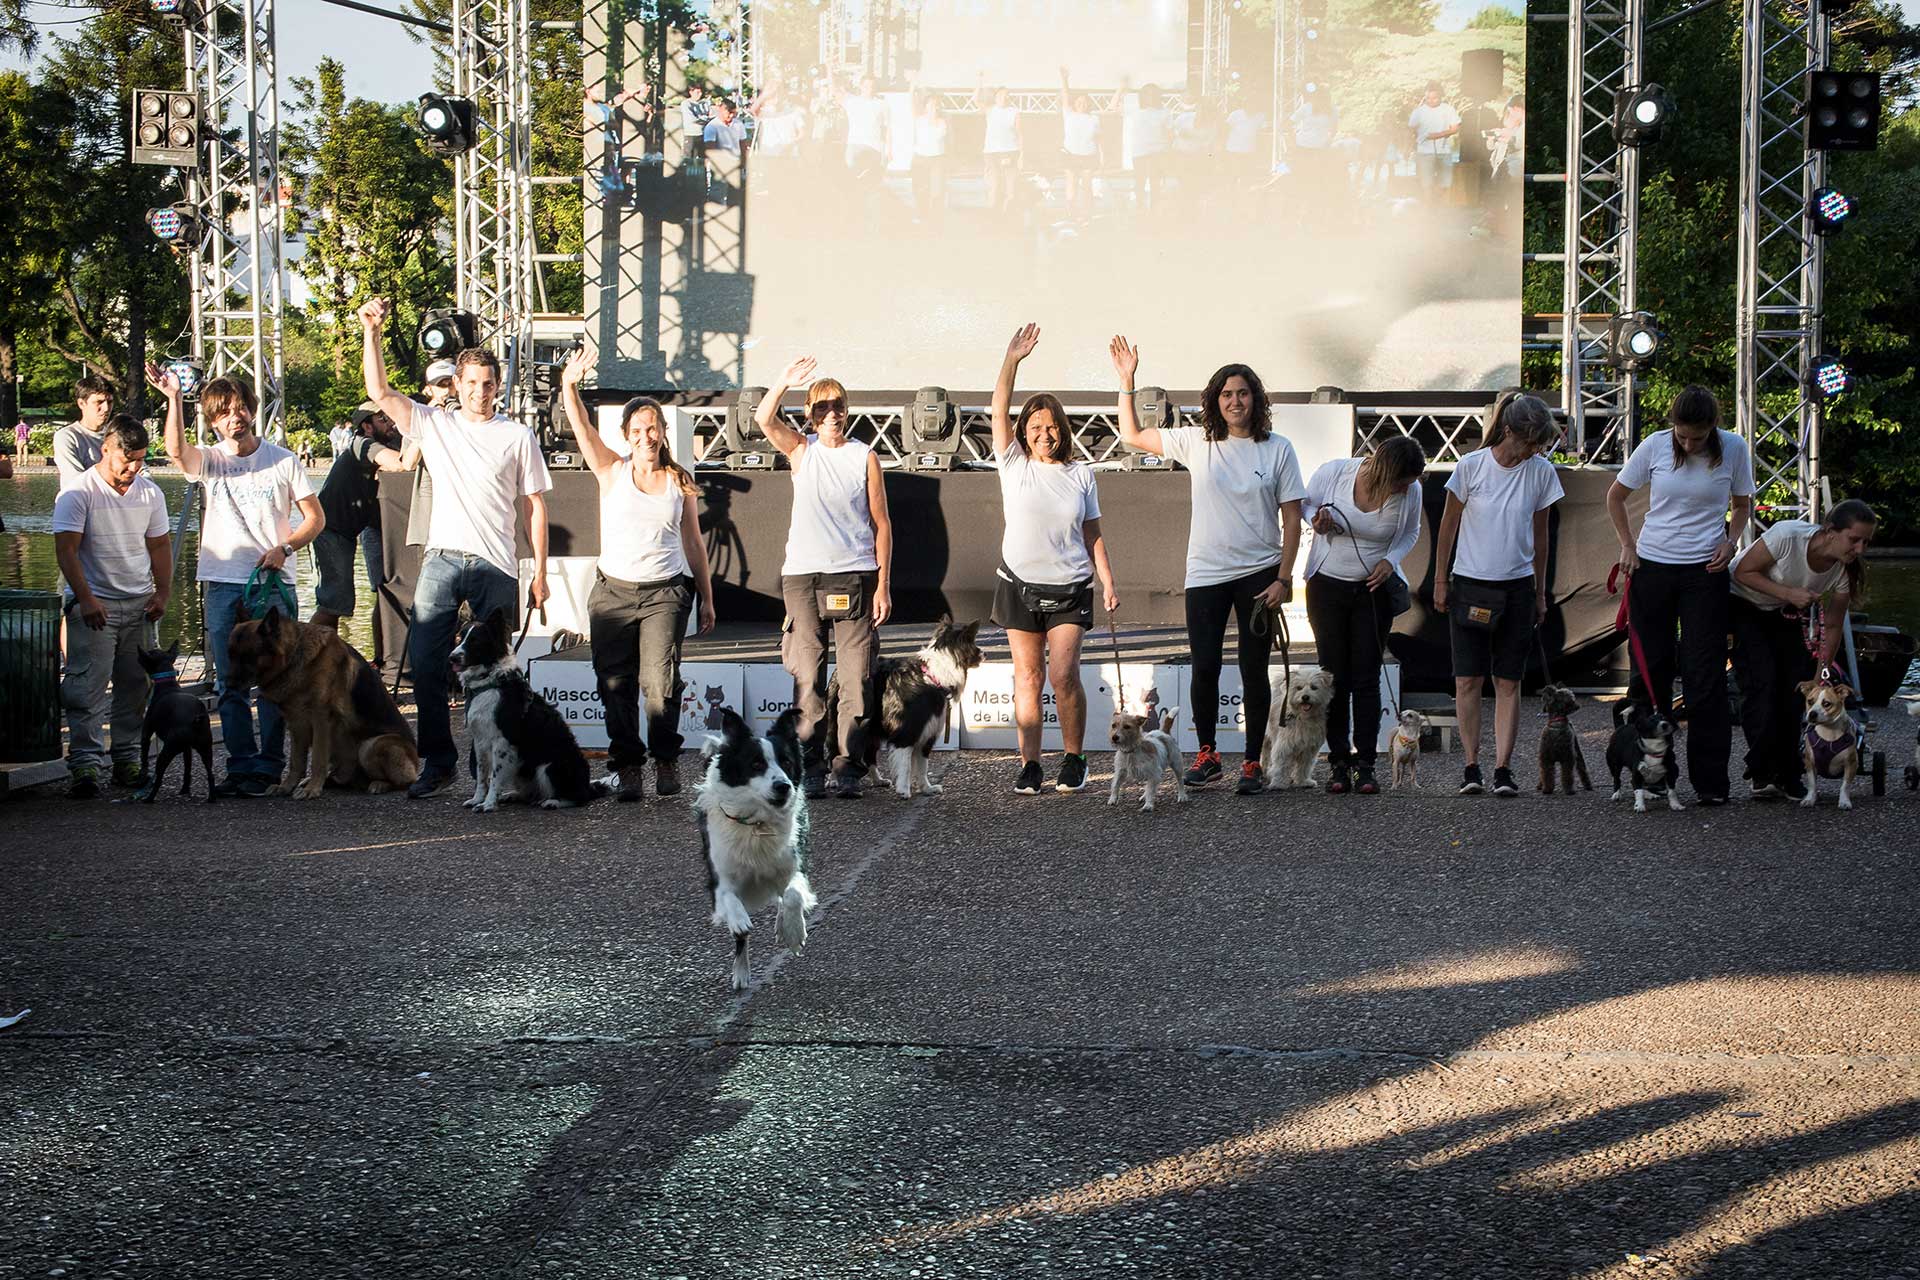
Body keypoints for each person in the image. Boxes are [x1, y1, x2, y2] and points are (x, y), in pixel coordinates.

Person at [358, 296, 553, 799]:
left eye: (489, 385)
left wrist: (541, 573)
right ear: (457, 387)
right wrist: (373, 332)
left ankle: (487, 771)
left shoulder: (516, 435)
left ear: (497, 386)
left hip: (495, 563)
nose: (481, 393)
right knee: (425, 663)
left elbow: (535, 505)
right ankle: (439, 763)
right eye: (472, 385)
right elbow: (378, 390)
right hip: (442, 557)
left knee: (496, 671)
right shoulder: (435, 423)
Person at [1110, 336, 1304, 795]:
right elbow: (1132, 435)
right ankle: (1209, 754)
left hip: (1260, 575)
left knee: (1254, 670)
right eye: (1226, 394)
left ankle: (1252, 763)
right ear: (1215, 401)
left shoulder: (1278, 449)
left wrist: (1283, 578)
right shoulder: (1198, 440)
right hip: (1206, 574)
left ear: (1255, 399)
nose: (1235, 401)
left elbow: (1292, 517)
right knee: (1205, 667)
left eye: (1242, 392)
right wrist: (1126, 382)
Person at [150, 363, 324, 798]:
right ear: (213, 420)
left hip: (273, 583)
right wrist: (173, 398)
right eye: (225, 412)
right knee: (229, 680)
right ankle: (240, 767)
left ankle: (271, 765)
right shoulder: (210, 460)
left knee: (276, 677)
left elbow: (315, 518)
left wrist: (285, 548)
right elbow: (175, 450)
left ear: (253, 410)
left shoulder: (283, 461)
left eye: (241, 408)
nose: (235, 417)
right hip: (223, 579)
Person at [559, 346, 717, 803]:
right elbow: (582, 428)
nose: (646, 436)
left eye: (653, 428)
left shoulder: (679, 481)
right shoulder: (611, 469)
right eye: (637, 430)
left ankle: (665, 757)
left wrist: (706, 596)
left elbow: (694, 543)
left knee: (661, 683)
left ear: (664, 433)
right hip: (613, 595)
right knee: (615, 684)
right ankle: (628, 766)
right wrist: (570, 384)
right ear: (627, 437)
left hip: (665, 593)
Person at [1607, 386, 1756, 805]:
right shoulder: (1654, 446)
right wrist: (1627, 545)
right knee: (1649, 669)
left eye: (1696, 437)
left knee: (1703, 674)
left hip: (1704, 569)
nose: (1688, 443)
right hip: (1653, 564)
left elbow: (1743, 504)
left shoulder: (1733, 448)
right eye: (1682, 435)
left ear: (1713, 427)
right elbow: (1615, 496)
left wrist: (1731, 540)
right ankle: (1649, 775)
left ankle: (1710, 783)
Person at [754, 355, 894, 800]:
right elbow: (762, 417)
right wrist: (784, 380)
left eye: (837, 406)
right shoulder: (801, 450)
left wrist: (883, 584)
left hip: (853, 577)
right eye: (821, 407)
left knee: (855, 678)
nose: (830, 413)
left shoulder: (864, 457)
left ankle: (848, 766)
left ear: (847, 411)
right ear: (810, 415)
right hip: (802, 578)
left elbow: (882, 523)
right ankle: (810, 766)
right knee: (808, 677)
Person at [991, 324, 1118, 795]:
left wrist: (1107, 580)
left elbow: (1093, 533)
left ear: (1063, 430)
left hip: (1069, 588)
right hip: (1018, 583)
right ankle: (1029, 764)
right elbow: (997, 407)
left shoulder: (1081, 475)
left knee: (1064, 675)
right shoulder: (1012, 464)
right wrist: (1012, 359)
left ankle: (1074, 758)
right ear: (1024, 431)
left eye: (1052, 427)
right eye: (1036, 427)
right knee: (1028, 674)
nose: (1045, 434)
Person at [1432, 391, 1563, 797]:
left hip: (1518, 587)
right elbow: (1447, 528)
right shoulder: (1471, 467)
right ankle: (1472, 766)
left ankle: (1503, 768)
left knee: (1509, 681)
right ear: (1508, 431)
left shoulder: (1541, 472)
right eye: (1530, 443)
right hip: (1470, 582)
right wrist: (1440, 580)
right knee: (1467, 680)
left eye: (1539, 445)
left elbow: (1542, 537)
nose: (1533, 451)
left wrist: (1541, 592)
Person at [51, 414, 172, 799]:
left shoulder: (150, 493)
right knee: (86, 686)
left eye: (140, 459)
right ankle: (85, 764)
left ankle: (126, 759)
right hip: (96, 602)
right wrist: (85, 598)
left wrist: (163, 593)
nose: (134, 468)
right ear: (106, 449)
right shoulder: (77, 492)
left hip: (138, 601)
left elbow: (159, 546)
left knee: (135, 686)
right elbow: (66, 550)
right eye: (127, 460)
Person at [1302, 436, 1427, 796]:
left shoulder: (1411, 491)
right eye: (1402, 481)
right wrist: (1317, 519)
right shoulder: (1334, 473)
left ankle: (1367, 763)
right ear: (1386, 471)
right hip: (1327, 586)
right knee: (1333, 676)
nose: (1408, 487)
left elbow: (1410, 532)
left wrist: (1391, 561)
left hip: (1373, 591)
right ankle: (1339, 761)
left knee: (1367, 676)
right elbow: (1305, 505)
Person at [1728, 500, 1876, 801]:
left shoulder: (1842, 571)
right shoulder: (1787, 535)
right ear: (1830, 531)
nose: (1859, 549)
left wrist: (1822, 671)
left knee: (1795, 685)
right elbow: (1742, 572)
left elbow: (1833, 627)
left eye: (1866, 542)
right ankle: (1761, 771)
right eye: (1854, 540)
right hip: (1741, 602)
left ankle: (1788, 771)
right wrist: (1788, 593)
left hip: (1783, 610)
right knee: (1762, 682)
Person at [310, 402, 417, 634]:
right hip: (332, 531)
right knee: (334, 603)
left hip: (348, 532)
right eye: (382, 419)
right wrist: (422, 433)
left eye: (390, 418)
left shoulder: (381, 443)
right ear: (367, 426)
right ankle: (306, 657)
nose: (390, 423)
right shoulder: (363, 444)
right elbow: (399, 463)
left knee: (360, 598)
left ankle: (376, 659)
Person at [53, 374, 115, 489]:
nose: (106, 408)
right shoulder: (67, 437)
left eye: (110, 402)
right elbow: (77, 482)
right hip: (80, 504)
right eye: (99, 402)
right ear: (81, 403)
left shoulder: (117, 435)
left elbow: (143, 473)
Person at [1057, 68, 1099, 221]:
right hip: (1071, 155)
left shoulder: (1094, 118)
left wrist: (1103, 156)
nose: (1082, 104)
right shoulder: (1068, 114)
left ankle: (1087, 214)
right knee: (1071, 184)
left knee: (1087, 186)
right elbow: (1065, 96)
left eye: (1085, 102)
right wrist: (1064, 79)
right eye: (1079, 101)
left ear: (1088, 104)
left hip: (1089, 155)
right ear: (1074, 104)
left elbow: (1098, 139)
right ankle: (1070, 213)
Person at [1408, 81, 1459, 203]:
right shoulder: (1419, 111)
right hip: (1424, 151)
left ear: (1441, 96)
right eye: (1428, 98)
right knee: (1426, 183)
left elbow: (1455, 128)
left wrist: (1437, 135)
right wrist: (1410, 146)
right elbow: (1411, 130)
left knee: (1446, 183)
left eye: (1435, 98)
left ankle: (1434, 201)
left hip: (1444, 150)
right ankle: (1428, 210)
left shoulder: (1448, 109)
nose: (1431, 101)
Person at [981, 85, 1021, 212]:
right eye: (1001, 95)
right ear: (996, 97)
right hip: (991, 154)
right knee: (995, 186)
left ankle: (1007, 214)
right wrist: (979, 80)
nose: (1004, 97)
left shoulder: (1014, 111)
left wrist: (1022, 155)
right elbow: (975, 99)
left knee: (1011, 189)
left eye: (1006, 95)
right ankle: (992, 215)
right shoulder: (990, 110)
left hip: (1010, 152)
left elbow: (1020, 134)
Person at [910, 91, 950, 222]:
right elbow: (912, 102)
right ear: (925, 106)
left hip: (937, 160)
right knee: (920, 189)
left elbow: (944, 139)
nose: (934, 107)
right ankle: (920, 214)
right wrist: (913, 86)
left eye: (936, 104)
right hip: (920, 159)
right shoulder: (918, 120)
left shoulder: (944, 122)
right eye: (931, 104)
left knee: (937, 191)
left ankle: (936, 217)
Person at [842, 77, 890, 180]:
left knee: (871, 179)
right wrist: (829, 67)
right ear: (861, 87)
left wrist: (888, 150)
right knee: (851, 178)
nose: (870, 89)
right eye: (866, 86)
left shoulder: (882, 104)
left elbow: (887, 129)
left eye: (873, 86)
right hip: (854, 145)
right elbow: (834, 90)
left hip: (873, 147)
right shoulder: (851, 101)